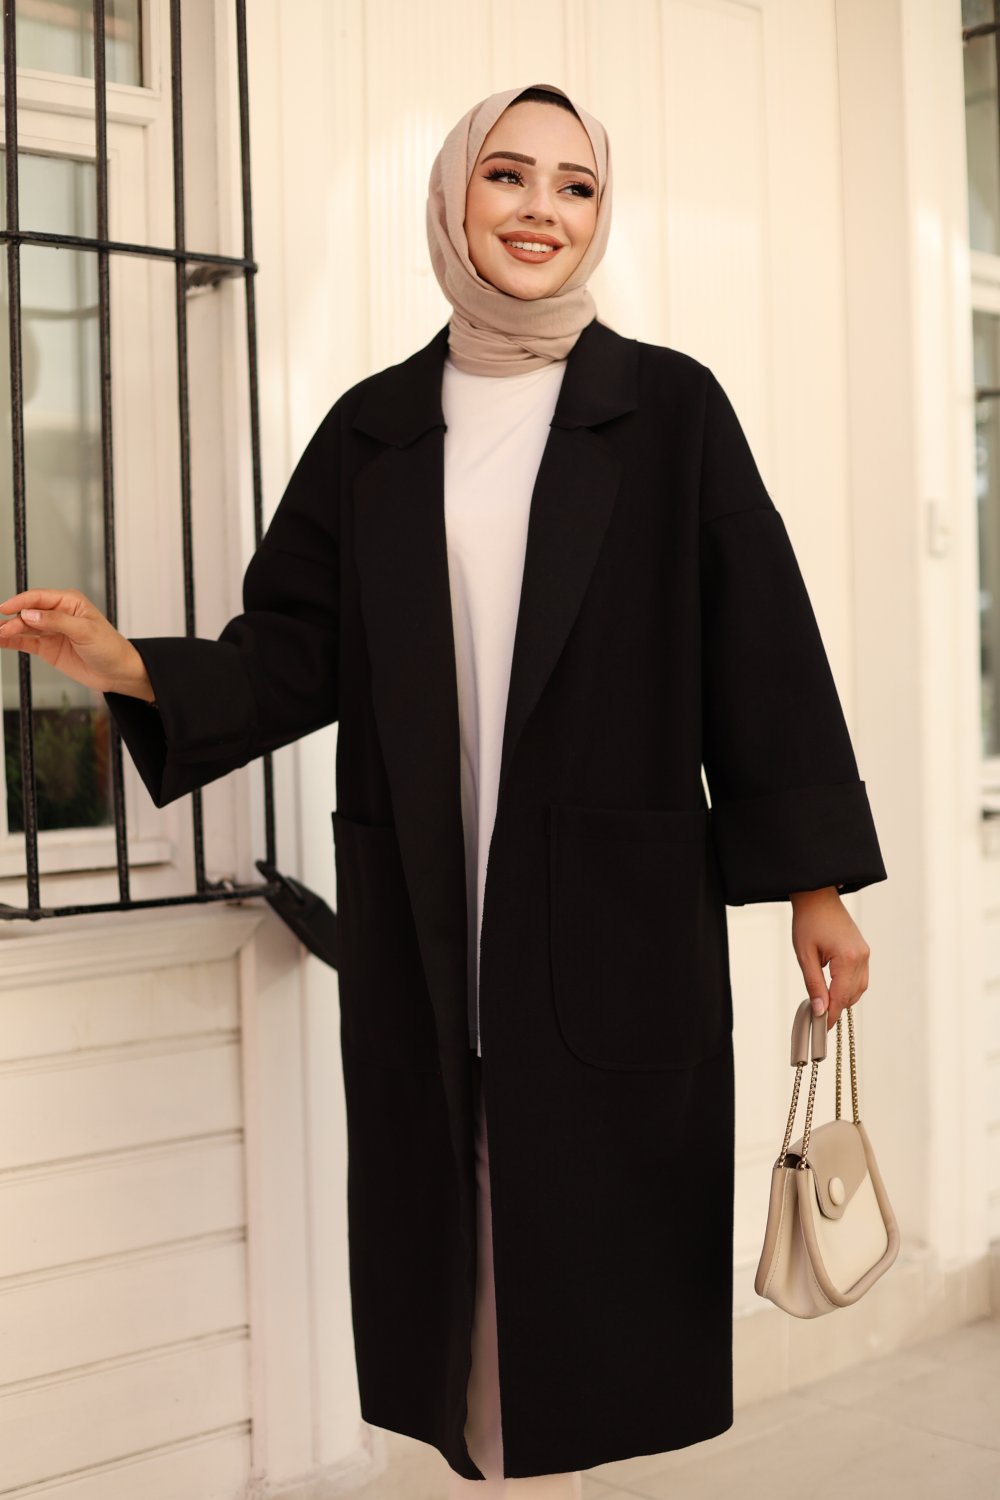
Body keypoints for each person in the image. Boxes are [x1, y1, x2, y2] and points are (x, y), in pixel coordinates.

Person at [0, 83, 886, 1497]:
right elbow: (294, 650)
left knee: (588, 1273)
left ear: (601, 214)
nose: (542, 209)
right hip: (429, 904)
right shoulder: (377, 428)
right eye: (509, 175)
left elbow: (760, 649)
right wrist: (130, 666)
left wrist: (815, 887)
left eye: (576, 186)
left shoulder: (669, 410)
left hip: (607, 909)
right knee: (460, 1258)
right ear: (454, 198)